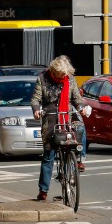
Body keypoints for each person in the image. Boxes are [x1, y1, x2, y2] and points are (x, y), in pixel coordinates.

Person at [30, 55, 89, 201]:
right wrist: (37, 110)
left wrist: (80, 108)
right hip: (50, 116)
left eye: (65, 73)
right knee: (48, 156)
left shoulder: (70, 78)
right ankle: (43, 190)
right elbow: (36, 98)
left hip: (67, 113)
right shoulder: (42, 78)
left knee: (80, 127)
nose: (63, 76)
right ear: (54, 71)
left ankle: (78, 158)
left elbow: (76, 98)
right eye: (61, 74)